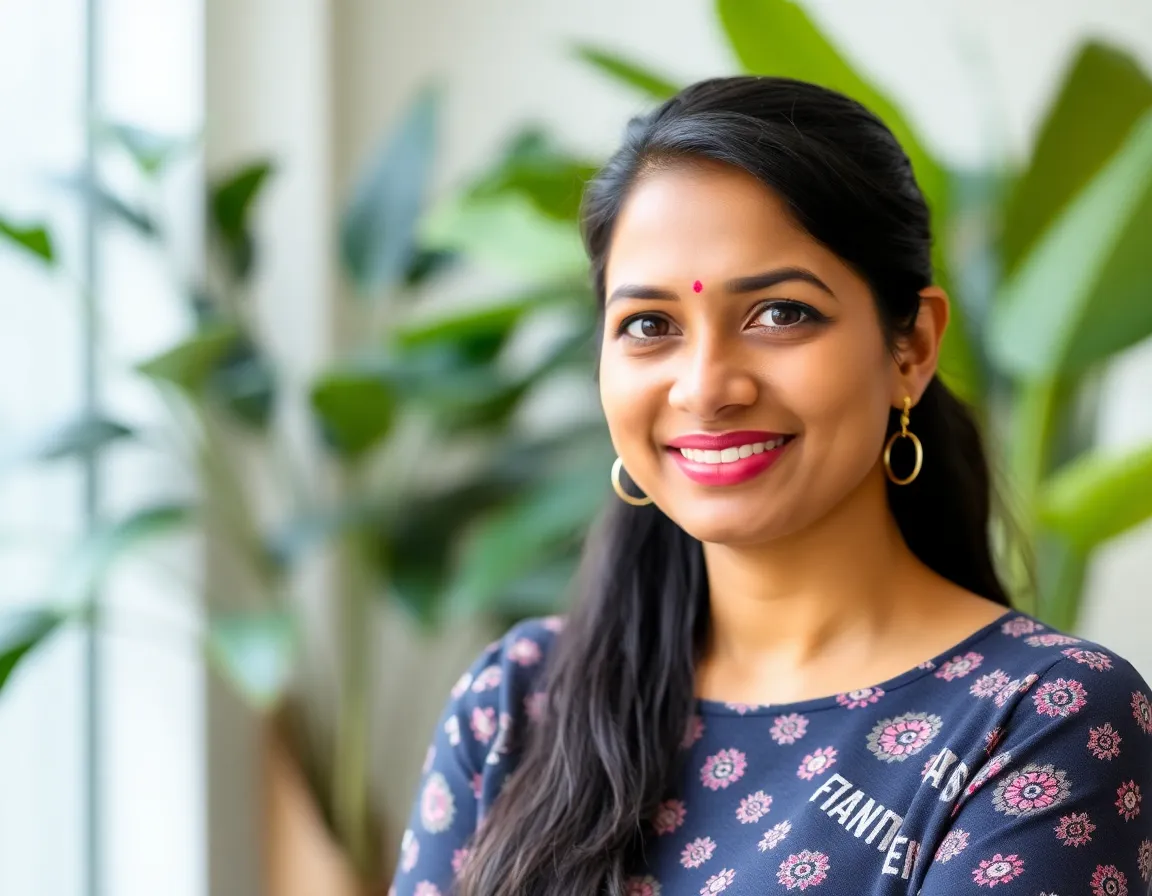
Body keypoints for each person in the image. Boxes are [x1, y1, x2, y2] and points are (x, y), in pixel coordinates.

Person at [389, 76, 1152, 895]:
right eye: (650, 326)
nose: (706, 388)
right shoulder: (516, 705)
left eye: (780, 314)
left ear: (912, 348)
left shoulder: (1042, 722)